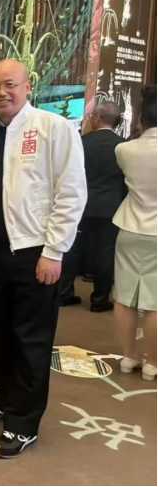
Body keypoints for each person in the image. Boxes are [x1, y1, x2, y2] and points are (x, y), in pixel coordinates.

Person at [0, 59, 86, 459]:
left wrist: (54, 251)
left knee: (30, 340)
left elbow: (71, 192)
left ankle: (23, 424)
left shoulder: (53, 128)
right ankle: (4, 398)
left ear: (27, 86)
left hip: (36, 253)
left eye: (9, 84)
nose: (1, 93)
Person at [59, 102, 126, 312]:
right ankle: (99, 300)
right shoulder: (123, 146)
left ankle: (64, 293)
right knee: (105, 253)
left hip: (80, 206)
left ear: (97, 117)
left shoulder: (81, 142)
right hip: (111, 208)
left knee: (71, 249)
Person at [112, 85, 157, 382]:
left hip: (129, 226)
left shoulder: (124, 149)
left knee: (124, 297)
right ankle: (153, 363)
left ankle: (129, 357)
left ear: (142, 118)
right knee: (154, 301)